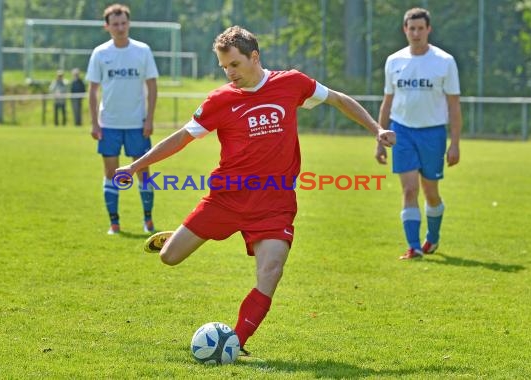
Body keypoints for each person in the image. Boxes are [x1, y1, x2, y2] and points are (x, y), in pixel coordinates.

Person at [116, 26, 395, 354]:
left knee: (271, 271)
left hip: (274, 202)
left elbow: (338, 99)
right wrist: (135, 166)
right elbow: (181, 137)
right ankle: (178, 236)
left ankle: (235, 343)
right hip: (227, 197)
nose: (229, 73)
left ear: (254, 57)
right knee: (169, 258)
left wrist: (376, 129)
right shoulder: (220, 100)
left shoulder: (291, 83)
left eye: (234, 65)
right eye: (223, 67)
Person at [375, 8, 462, 260]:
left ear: (428, 30)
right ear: (405, 30)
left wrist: (454, 143)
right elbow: (387, 101)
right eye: (411, 28)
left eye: (420, 28)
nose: (415, 33)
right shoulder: (394, 61)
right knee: (409, 189)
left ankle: (432, 239)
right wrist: (380, 138)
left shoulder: (444, 61)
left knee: (430, 191)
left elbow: (454, 105)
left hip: (433, 134)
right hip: (401, 131)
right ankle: (413, 247)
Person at [86, 3, 159, 235]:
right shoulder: (100, 53)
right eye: (115, 24)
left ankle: (148, 220)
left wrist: (149, 119)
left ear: (129, 24)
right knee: (111, 173)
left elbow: (152, 85)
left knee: (143, 173)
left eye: (124, 23)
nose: (120, 28)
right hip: (109, 125)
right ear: (107, 26)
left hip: (137, 124)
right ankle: (114, 223)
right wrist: (95, 123)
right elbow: (93, 90)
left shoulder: (142, 50)